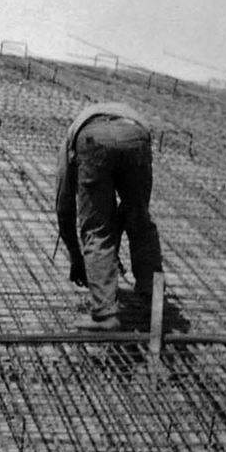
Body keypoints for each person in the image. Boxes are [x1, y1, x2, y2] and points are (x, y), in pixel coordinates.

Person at [56, 102, 162, 332]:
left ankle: (105, 314)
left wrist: (77, 256)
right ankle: (154, 303)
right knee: (141, 224)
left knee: (96, 229)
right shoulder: (125, 114)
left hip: (93, 139)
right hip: (137, 135)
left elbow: (64, 206)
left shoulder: (72, 137)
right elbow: (130, 210)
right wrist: (110, 254)